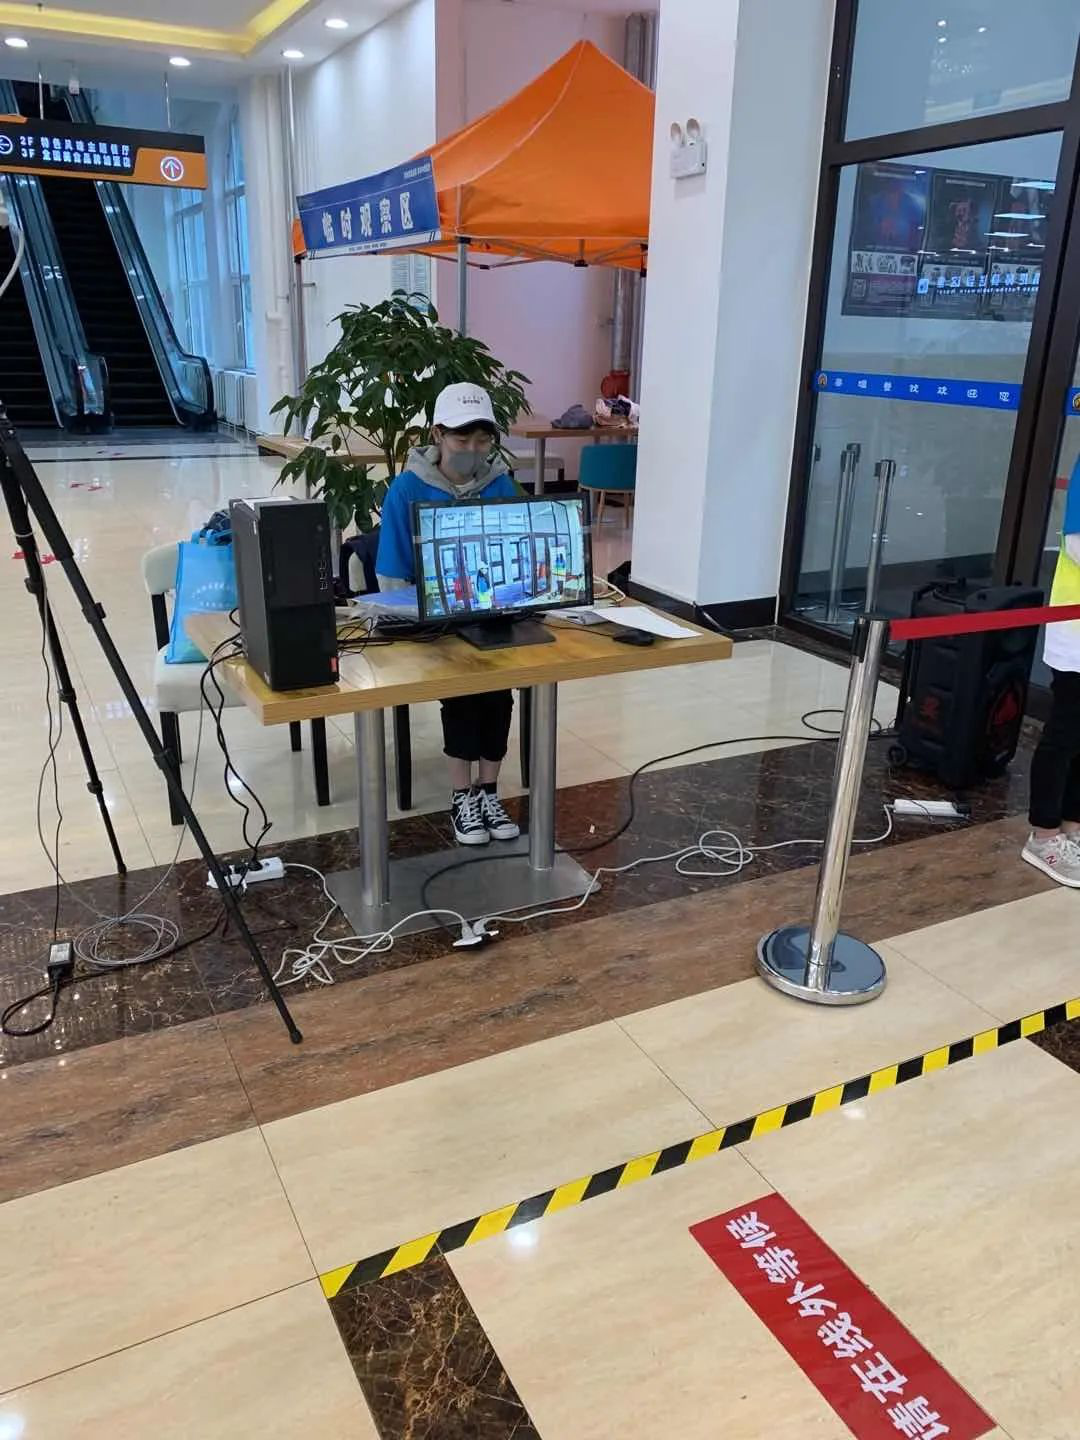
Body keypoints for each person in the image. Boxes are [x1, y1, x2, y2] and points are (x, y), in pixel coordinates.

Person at [376, 382, 521, 846]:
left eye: (482, 440)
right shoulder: (407, 489)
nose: (472, 450)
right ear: (437, 434)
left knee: (498, 694)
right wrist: (417, 622)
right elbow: (392, 573)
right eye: (462, 439)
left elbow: (515, 550)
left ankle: (489, 790)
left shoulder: (499, 484)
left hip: (493, 613)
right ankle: (462, 796)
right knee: (461, 695)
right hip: (435, 621)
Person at [1024, 453, 1080, 885]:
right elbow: (1077, 543)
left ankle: (1073, 827)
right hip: (1076, 630)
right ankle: (1043, 835)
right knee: (1066, 731)